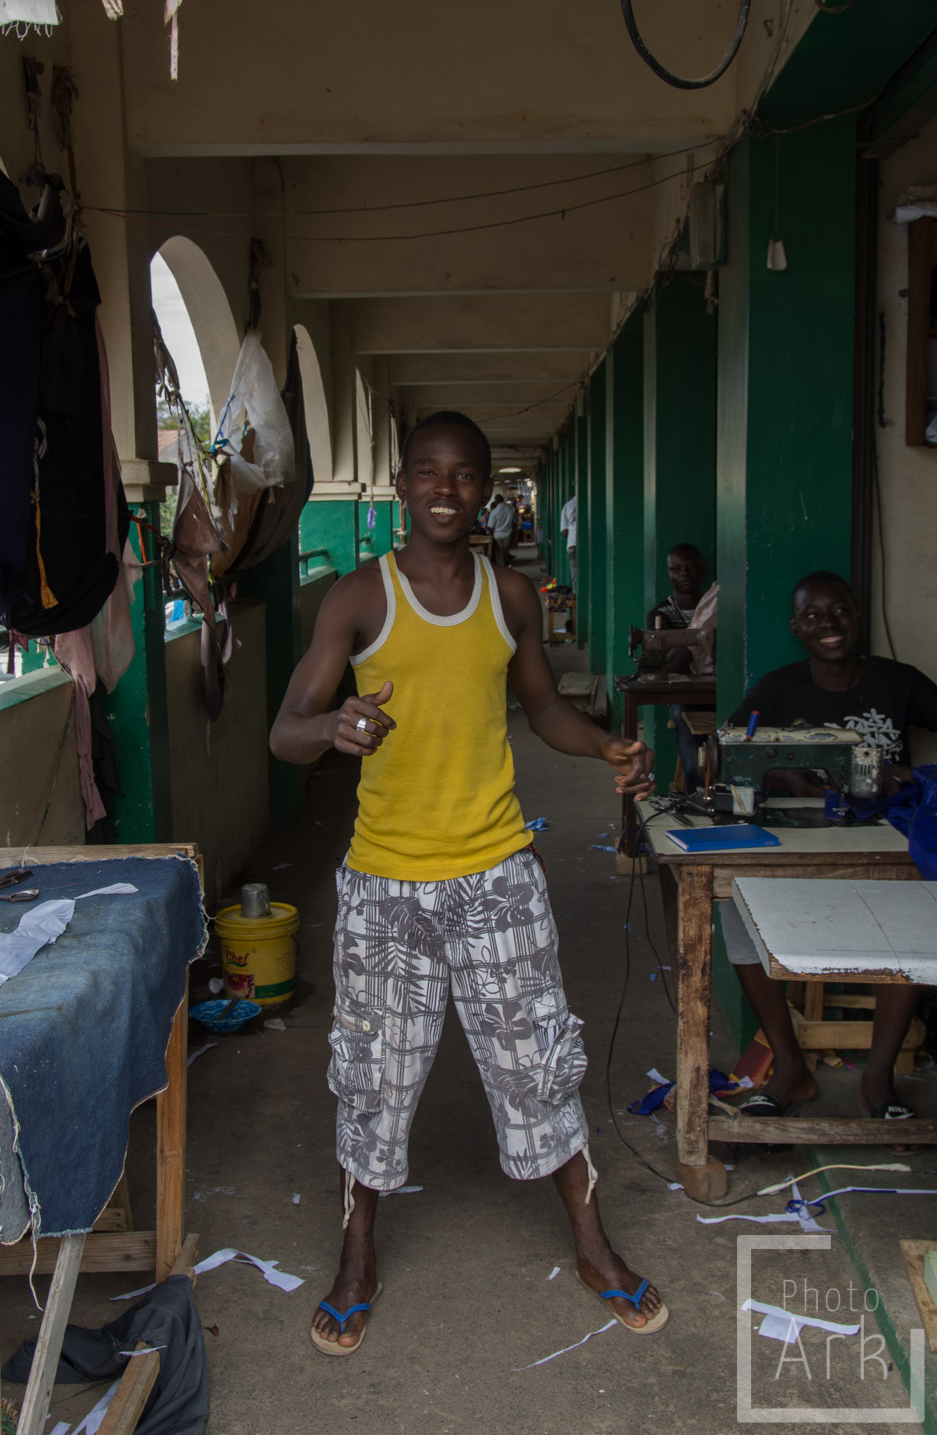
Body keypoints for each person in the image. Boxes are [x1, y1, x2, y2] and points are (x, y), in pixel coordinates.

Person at [269, 410, 666, 1354]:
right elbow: (286, 727)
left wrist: (603, 743)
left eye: (463, 475)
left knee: (538, 1064)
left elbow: (540, 708)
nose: (444, 491)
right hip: (384, 884)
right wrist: (333, 730)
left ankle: (592, 1246)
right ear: (402, 487)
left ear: (485, 487)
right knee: (372, 1077)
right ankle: (357, 1255)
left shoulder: (511, 596)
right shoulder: (358, 599)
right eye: (427, 474)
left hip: (495, 873)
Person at [722, 570, 937, 1136]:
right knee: (733, 910)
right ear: (797, 629)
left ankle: (878, 1079)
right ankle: (790, 1069)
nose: (829, 625)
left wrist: (909, 776)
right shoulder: (776, 690)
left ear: (856, 614)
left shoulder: (898, 683)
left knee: (917, 917)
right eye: (813, 617)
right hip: (801, 841)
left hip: (884, 840)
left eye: (838, 611)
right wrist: (789, 774)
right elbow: (731, 746)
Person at [647, 544, 710, 792]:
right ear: (669, 574)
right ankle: (698, 793)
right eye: (676, 569)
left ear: (701, 571)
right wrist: (694, 639)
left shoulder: (721, 609)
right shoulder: (660, 615)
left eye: (690, 567)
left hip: (718, 689)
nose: (684, 574)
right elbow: (670, 665)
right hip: (683, 695)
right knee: (686, 719)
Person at [485, 492, 515, 565]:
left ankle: (502, 568)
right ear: (503, 500)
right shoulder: (511, 509)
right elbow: (514, 524)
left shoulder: (494, 512)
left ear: (495, 501)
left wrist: (490, 536)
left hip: (497, 535)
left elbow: (491, 526)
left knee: (499, 555)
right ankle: (506, 566)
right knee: (505, 552)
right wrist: (514, 536)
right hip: (508, 534)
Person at [560, 486, 577, 594]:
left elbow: (564, 532)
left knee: (574, 569)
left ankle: (576, 593)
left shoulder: (568, 505)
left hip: (573, 543)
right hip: (590, 544)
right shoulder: (591, 503)